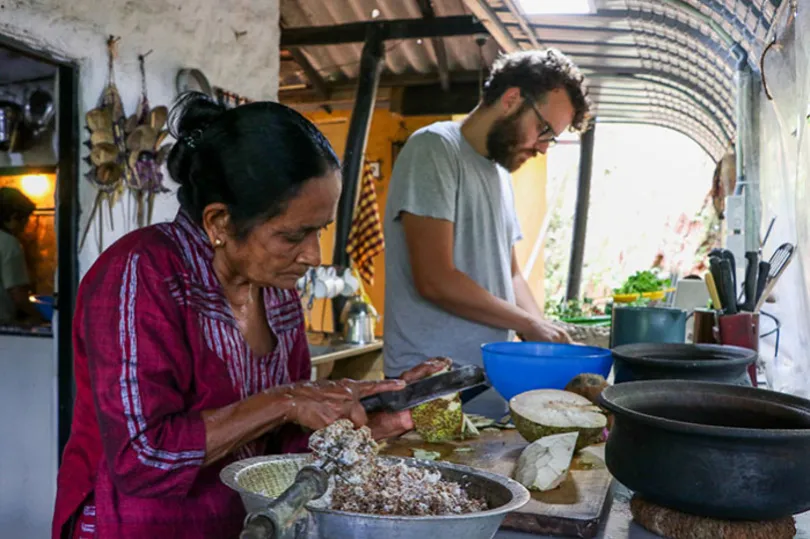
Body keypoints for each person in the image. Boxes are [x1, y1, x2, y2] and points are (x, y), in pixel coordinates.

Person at [52, 92, 447, 539]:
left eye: (320, 230)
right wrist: (287, 399)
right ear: (219, 222)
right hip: (138, 526)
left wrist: (371, 418)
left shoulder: (276, 293)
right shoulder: (140, 274)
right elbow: (144, 460)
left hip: (247, 524)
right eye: (294, 235)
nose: (314, 255)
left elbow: (281, 445)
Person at [383, 49, 590, 410]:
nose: (543, 148)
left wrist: (547, 340)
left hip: (483, 381)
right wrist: (528, 323)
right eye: (543, 131)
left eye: (551, 139)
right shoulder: (434, 149)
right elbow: (435, 278)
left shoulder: (499, 174)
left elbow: (511, 275)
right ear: (511, 100)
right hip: (431, 385)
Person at [0, 187, 46, 325]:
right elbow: (18, 295)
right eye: (25, 220)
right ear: (13, 217)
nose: (26, 227)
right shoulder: (8, 243)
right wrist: (40, 318)